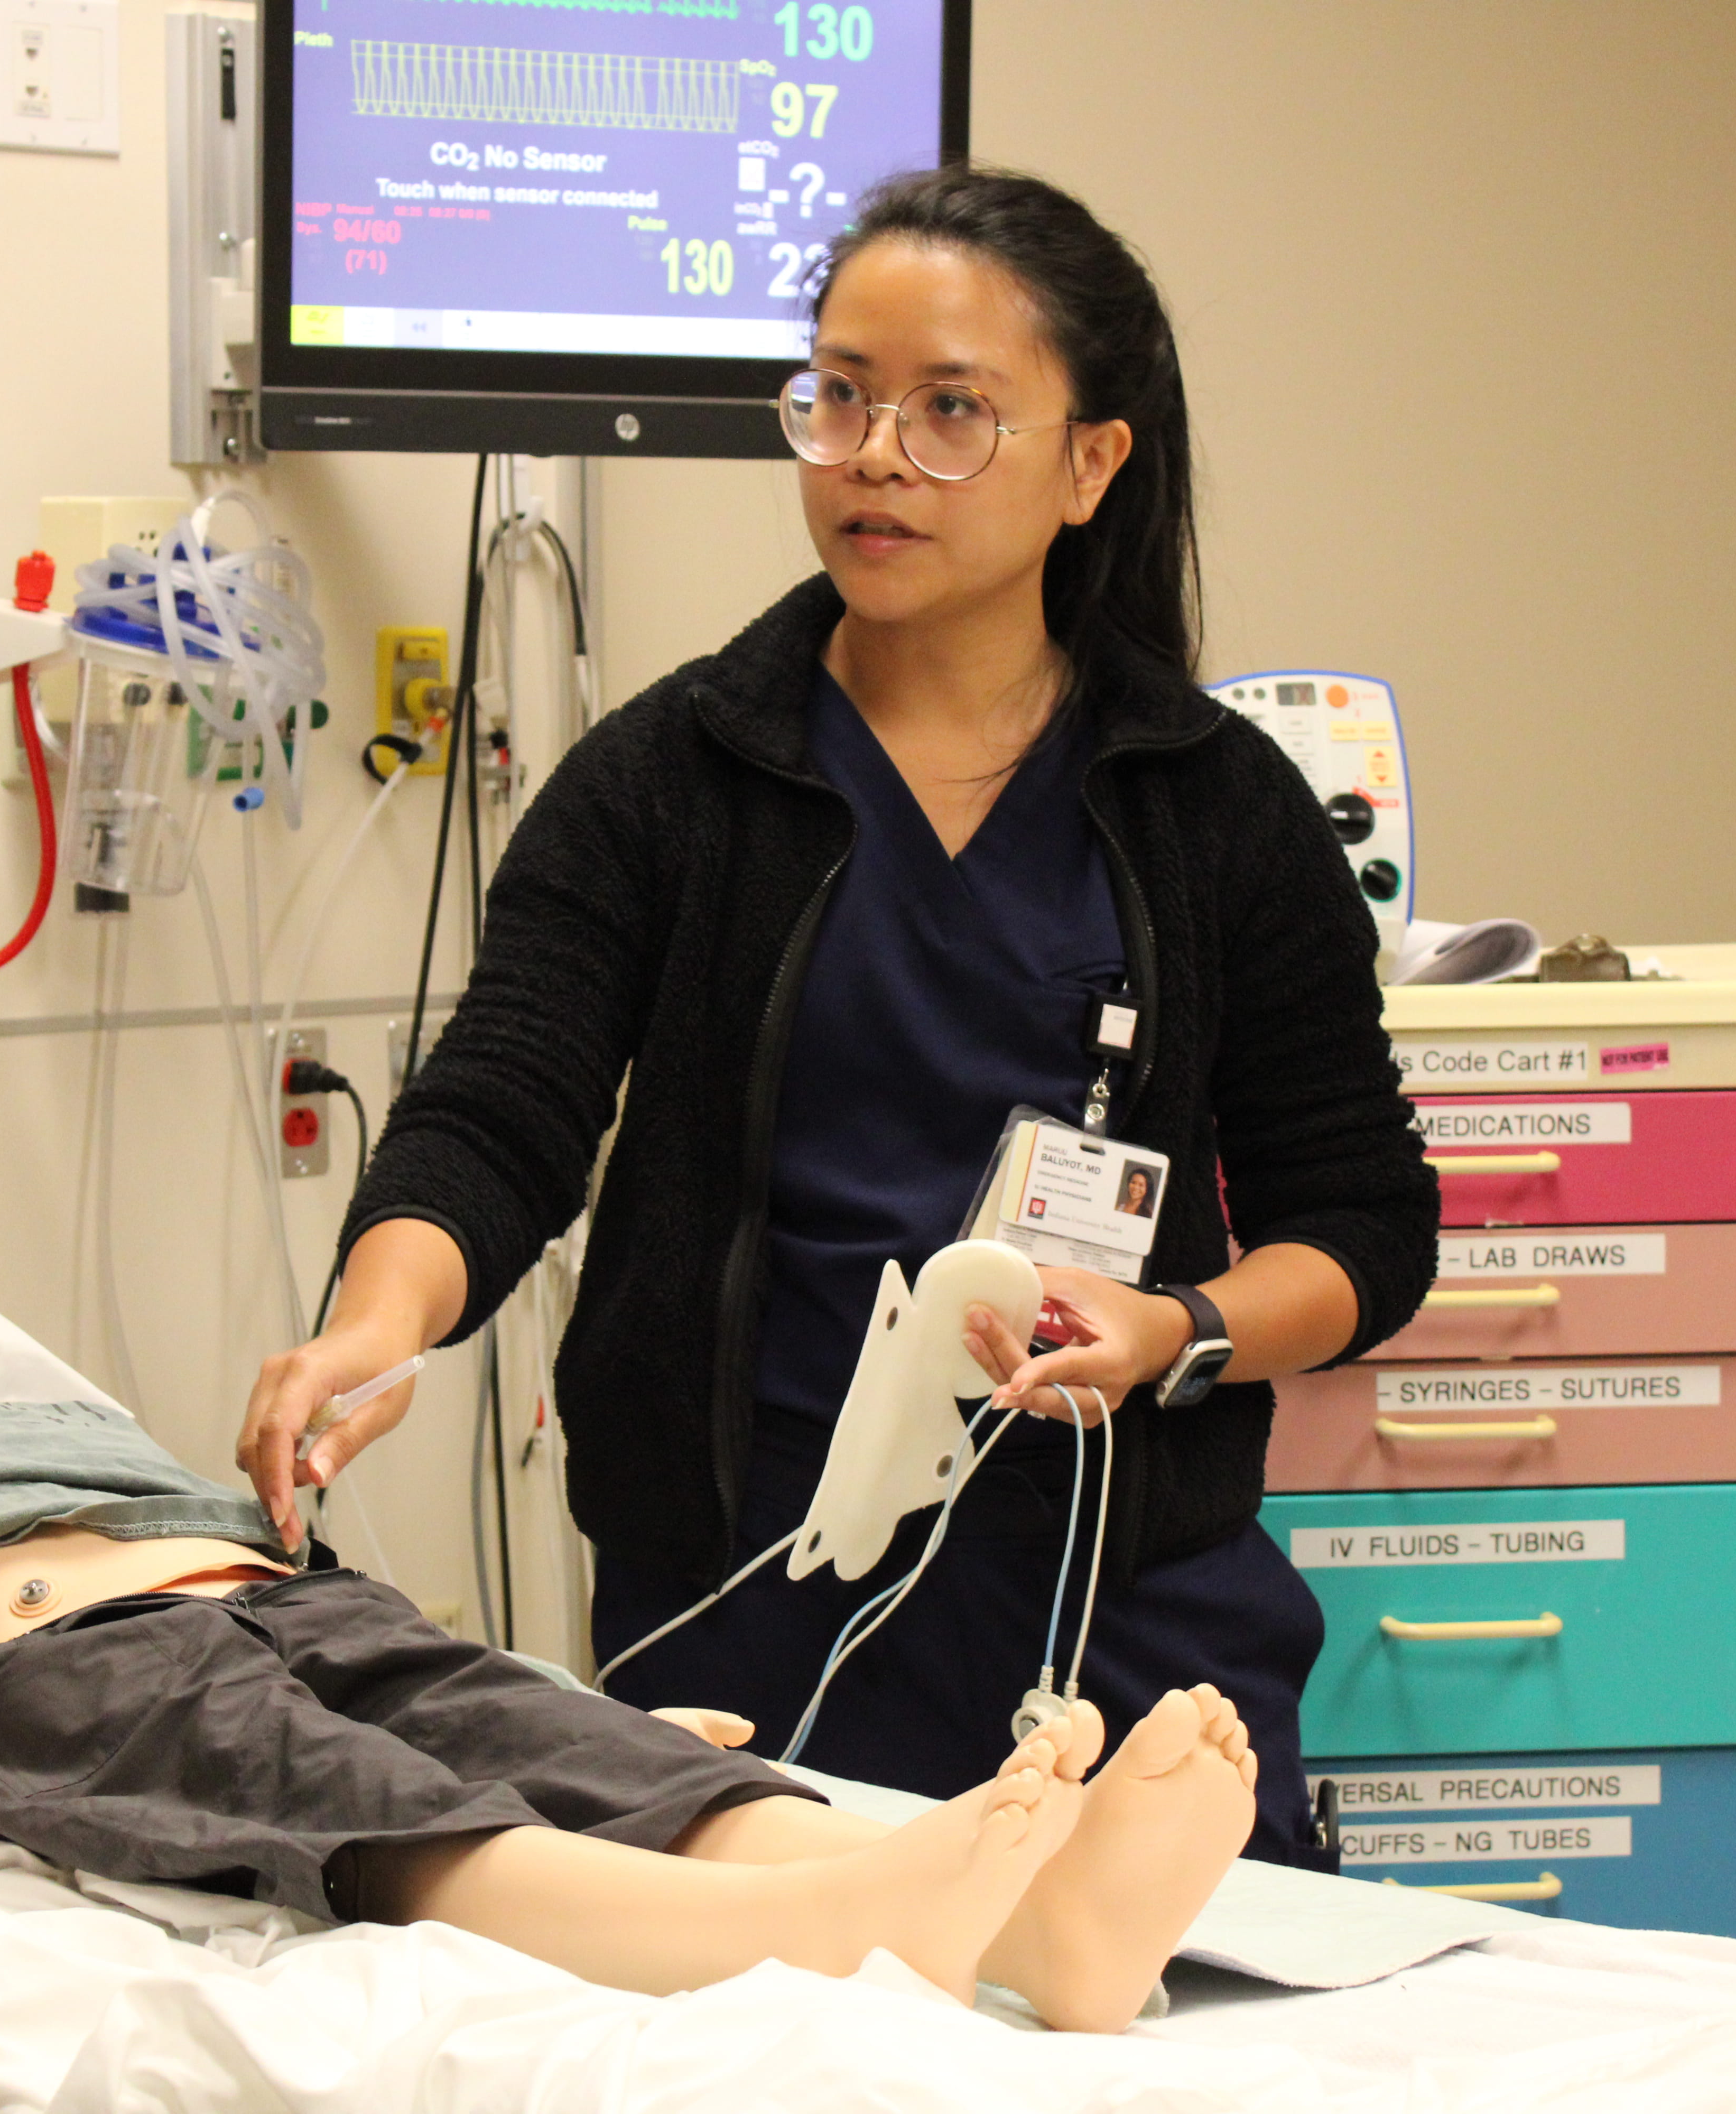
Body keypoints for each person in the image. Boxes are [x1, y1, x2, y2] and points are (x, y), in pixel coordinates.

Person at [238, 165, 1438, 1870]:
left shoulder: (1213, 811)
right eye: (841, 397)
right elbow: (501, 1109)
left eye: (954, 412)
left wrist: (1178, 1330)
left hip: (1118, 1607)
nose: (877, 453)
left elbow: (1366, 1223)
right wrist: (379, 1324)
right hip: (749, 1595)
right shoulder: (674, 781)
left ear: (1092, 460)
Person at [0, 1284, 1261, 2033]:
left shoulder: (16, 1417)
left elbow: (306, 1579)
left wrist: (564, 1706)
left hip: (290, 1595)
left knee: (581, 1749)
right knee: (363, 1805)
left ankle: (1051, 1926)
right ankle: (798, 1934)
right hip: (64, 1672)